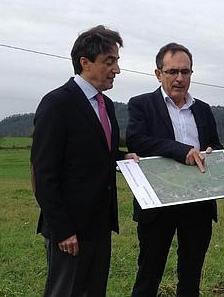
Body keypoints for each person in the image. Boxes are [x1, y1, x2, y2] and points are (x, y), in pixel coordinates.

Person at [31, 25, 138, 296]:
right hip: (70, 230)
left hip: (99, 223)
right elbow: (44, 174)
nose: (117, 70)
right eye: (109, 62)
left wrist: (123, 156)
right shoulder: (57, 104)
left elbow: (97, 153)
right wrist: (63, 230)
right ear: (85, 63)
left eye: (117, 62)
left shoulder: (107, 105)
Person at [126, 42, 223, 296]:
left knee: (191, 278)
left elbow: (215, 145)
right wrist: (181, 151)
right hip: (158, 204)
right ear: (158, 74)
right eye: (172, 72)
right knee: (149, 275)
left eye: (186, 72)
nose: (180, 78)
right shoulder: (141, 105)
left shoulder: (202, 109)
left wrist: (213, 153)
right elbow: (137, 140)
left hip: (198, 204)